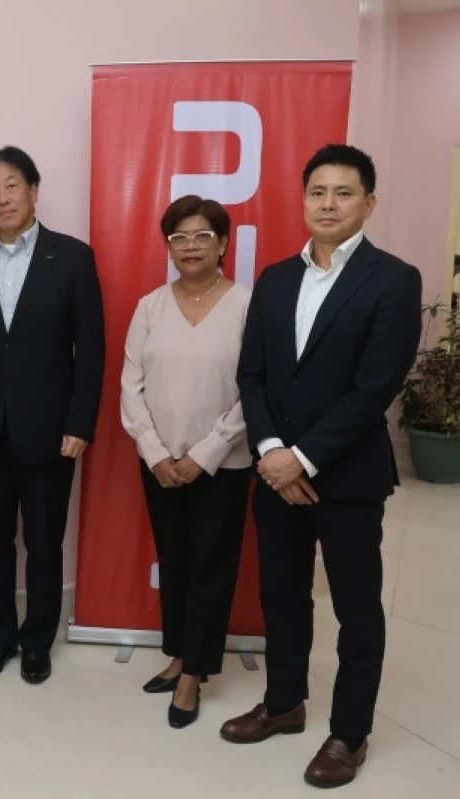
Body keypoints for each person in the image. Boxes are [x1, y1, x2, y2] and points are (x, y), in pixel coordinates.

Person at [222, 144, 422, 789]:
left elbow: (374, 387)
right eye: (317, 192)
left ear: (368, 202)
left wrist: (301, 457)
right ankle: (283, 704)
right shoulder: (277, 279)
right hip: (275, 469)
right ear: (302, 198)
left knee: (357, 608)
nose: (328, 203)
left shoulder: (394, 279)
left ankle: (349, 733)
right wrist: (271, 452)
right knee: (281, 596)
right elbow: (251, 374)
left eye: (342, 192)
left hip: (349, 477)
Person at [0, 146, 105, 684]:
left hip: (51, 431)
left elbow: (91, 347)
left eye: (12, 185)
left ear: (33, 190)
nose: (2, 197)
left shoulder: (72, 257)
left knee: (45, 544)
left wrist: (80, 424)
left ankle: (37, 644)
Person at [120, 196, 251, 729]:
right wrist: (156, 453)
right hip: (161, 466)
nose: (190, 246)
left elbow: (254, 390)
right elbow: (131, 385)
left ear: (223, 243)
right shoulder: (150, 306)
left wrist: (204, 455)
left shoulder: (247, 305)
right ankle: (178, 654)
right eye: (179, 237)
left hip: (224, 464)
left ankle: (195, 673)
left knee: (209, 571)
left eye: (202, 236)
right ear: (168, 246)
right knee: (174, 564)